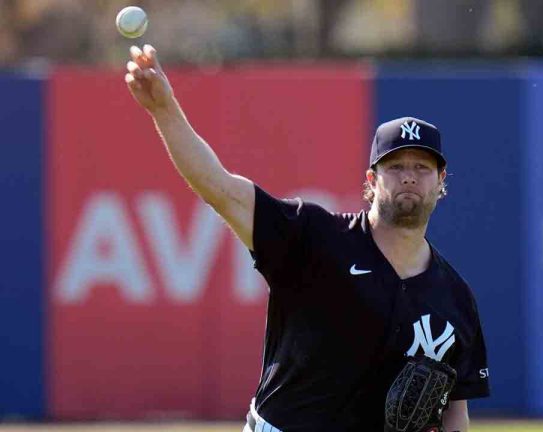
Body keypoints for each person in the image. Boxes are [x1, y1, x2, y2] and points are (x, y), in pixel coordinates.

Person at [124, 44, 490, 432]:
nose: (410, 177)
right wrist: (164, 110)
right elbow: (220, 188)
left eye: (422, 167)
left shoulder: (455, 298)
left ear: (441, 182)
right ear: (371, 180)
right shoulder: (313, 237)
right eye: (395, 166)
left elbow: (454, 409)